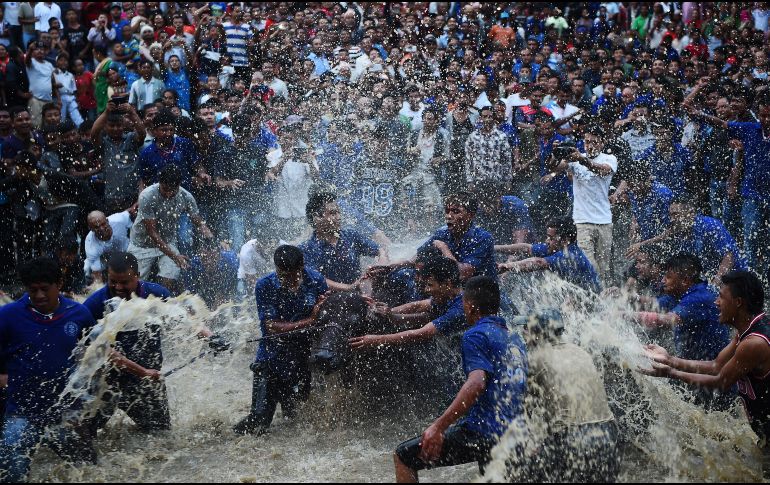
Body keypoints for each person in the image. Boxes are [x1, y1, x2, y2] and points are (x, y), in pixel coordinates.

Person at [393, 276, 527, 483]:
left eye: (464, 302)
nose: (463, 307)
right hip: (514, 433)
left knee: (403, 456)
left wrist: (439, 427)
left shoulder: (475, 335)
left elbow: (476, 383)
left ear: (471, 307)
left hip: (484, 431)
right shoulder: (514, 338)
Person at [641, 270, 770, 476]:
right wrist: (669, 359)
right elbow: (716, 366)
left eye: (721, 297)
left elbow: (720, 381)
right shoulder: (745, 332)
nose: (716, 302)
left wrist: (670, 373)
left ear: (738, 302)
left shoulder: (754, 343)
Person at [0, 258, 97, 482]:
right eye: (33, 290)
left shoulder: (79, 314)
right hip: (22, 414)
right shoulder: (8, 317)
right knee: (11, 474)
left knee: (90, 472)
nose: (40, 296)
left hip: (66, 413)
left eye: (45, 289)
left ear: (59, 284)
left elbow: (94, 355)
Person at [233, 245, 328, 436]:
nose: (287, 280)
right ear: (276, 269)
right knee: (259, 422)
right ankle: (229, 435)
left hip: (303, 360)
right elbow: (272, 326)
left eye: (292, 275)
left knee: (294, 418)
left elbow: (326, 315)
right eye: (282, 275)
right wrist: (311, 320)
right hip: (272, 359)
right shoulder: (265, 285)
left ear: (301, 266)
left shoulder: (316, 280)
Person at [517, 310, 619, 482]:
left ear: (537, 333)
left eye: (526, 328)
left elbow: (523, 411)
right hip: (608, 436)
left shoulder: (535, 358)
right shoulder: (580, 351)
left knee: (520, 470)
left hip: (572, 440)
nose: (522, 332)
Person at [372, 192, 498, 283]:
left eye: (456, 211)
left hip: (480, 296)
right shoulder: (442, 234)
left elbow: (462, 274)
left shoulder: (482, 238)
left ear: (470, 215)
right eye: (447, 211)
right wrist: (387, 267)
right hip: (451, 290)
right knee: (397, 276)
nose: (449, 216)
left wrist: (444, 248)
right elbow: (413, 260)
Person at [127, 164, 214, 293]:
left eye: (172, 190)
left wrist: (212, 240)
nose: (168, 194)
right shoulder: (147, 196)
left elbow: (199, 223)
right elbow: (152, 233)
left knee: (169, 278)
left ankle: (161, 305)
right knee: (134, 288)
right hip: (142, 245)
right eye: (165, 189)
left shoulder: (186, 197)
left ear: (178, 186)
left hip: (167, 242)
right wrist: (175, 256)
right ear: (159, 183)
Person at [633, 253, 731, 364]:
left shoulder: (699, 297)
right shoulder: (679, 293)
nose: (663, 281)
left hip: (713, 371)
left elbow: (668, 320)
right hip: (695, 366)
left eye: (668, 277)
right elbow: (655, 304)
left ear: (684, 280)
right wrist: (629, 297)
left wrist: (626, 315)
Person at [350, 256, 466, 349]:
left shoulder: (460, 308)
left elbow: (421, 334)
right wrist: (386, 311)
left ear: (447, 283)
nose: (426, 290)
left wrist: (376, 340)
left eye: (430, 285)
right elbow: (417, 306)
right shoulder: (446, 296)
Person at [299, 191, 385, 292]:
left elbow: (380, 250)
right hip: (330, 300)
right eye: (333, 213)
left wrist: (380, 265)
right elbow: (315, 278)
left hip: (359, 293)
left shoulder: (350, 236)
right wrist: (348, 288)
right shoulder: (306, 249)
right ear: (317, 218)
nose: (339, 217)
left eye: (339, 212)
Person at [498, 217, 601, 293]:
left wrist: (507, 266)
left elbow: (538, 262)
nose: (547, 241)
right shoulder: (555, 247)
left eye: (551, 238)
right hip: (577, 296)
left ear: (565, 240)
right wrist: (494, 248)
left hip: (590, 299)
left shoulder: (569, 256)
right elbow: (526, 248)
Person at [83, 209, 132, 284]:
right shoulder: (90, 244)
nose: (101, 229)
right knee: (87, 269)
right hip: (104, 260)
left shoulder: (118, 220)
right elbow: (97, 275)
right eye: (97, 227)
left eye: (103, 224)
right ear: (91, 229)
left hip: (127, 250)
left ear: (107, 221)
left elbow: (133, 210)